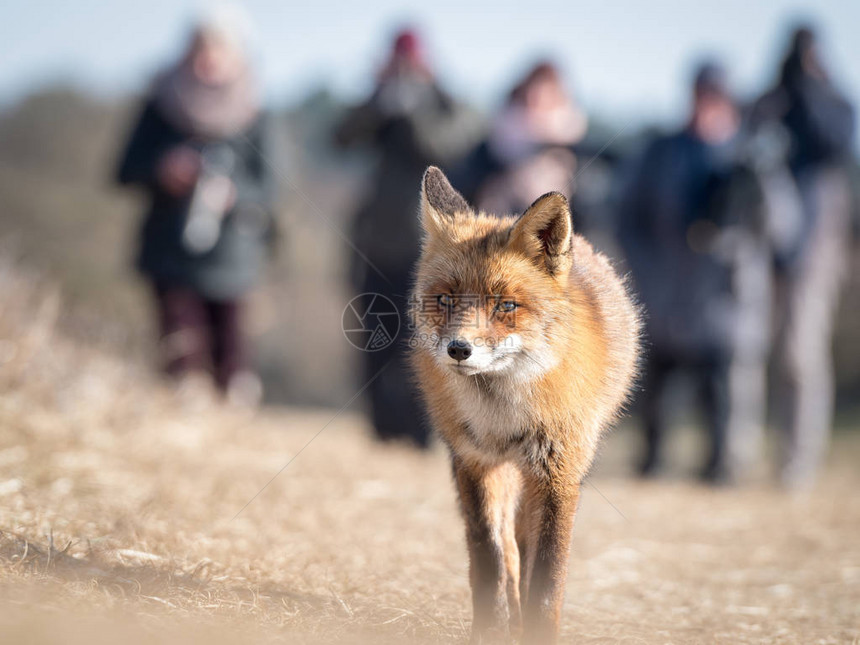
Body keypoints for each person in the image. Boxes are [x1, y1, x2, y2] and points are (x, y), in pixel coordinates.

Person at [618, 61, 773, 484]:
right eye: (701, 96)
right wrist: (644, 270)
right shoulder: (661, 152)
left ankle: (722, 467)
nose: (707, 108)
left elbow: (780, 231)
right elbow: (626, 215)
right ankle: (651, 462)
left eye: (717, 98)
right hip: (666, 294)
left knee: (723, 390)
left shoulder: (754, 154)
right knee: (655, 388)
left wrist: (756, 192)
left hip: (726, 297)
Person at [116, 6, 274, 405]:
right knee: (181, 351)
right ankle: (183, 407)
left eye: (218, 48)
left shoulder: (255, 109)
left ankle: (232, 413)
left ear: (236, 52)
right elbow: (123, 169)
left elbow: (271, 186)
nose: (209, 59)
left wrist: (233, 192)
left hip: (232, 256)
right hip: (170, 251)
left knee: (231, 356)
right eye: (201, 48)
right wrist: (162, 168)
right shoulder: (161, 103)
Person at [335, 28, 479, 447]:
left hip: (431, 251)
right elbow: (341, 138)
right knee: (377, 338)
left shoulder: (448, 103)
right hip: (377, 245)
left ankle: (422, 432)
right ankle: (381, 428)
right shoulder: (379, 103)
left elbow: (447, 147)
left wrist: (413, 108)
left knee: (425, 341)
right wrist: (378, 101)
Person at [752, 25, 856, 489]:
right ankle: (749, 455)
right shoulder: (770, 105)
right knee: (755, 354)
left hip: (816, 250)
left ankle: (797, 464)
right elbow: (745, 138)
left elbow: (835, 139)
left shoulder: (833, 105)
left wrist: (808, 87)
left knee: (801, 353)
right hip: (765, 251)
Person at [454, 61, 587, 214]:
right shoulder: (494, 144)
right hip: (496, 225)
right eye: (533, 93)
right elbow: (466, 185)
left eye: (544, 95)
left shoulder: (573, 150)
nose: (536, 100)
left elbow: (586, 211)